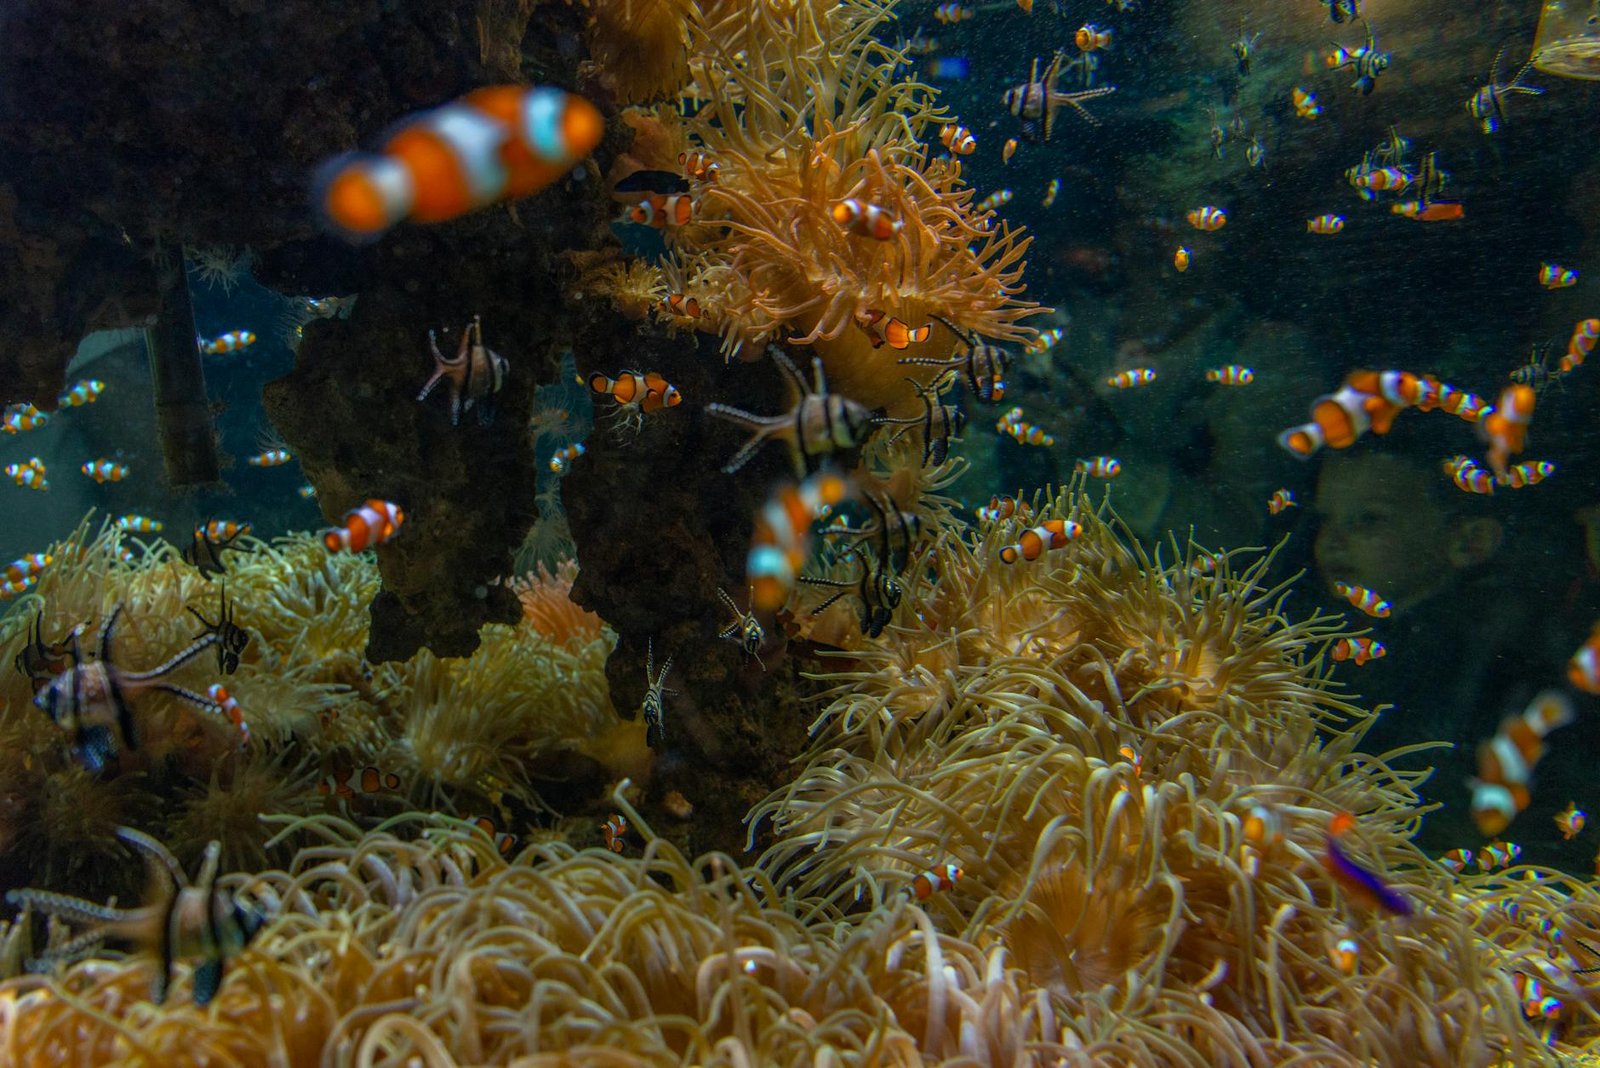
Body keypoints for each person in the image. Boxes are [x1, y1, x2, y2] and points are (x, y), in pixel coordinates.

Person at [1307, 426, 1590, 863]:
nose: (1332, 540)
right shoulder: (1367, 628)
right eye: (1326, 518)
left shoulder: (1487, 641)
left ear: (1469, 542)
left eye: (1369, 519)